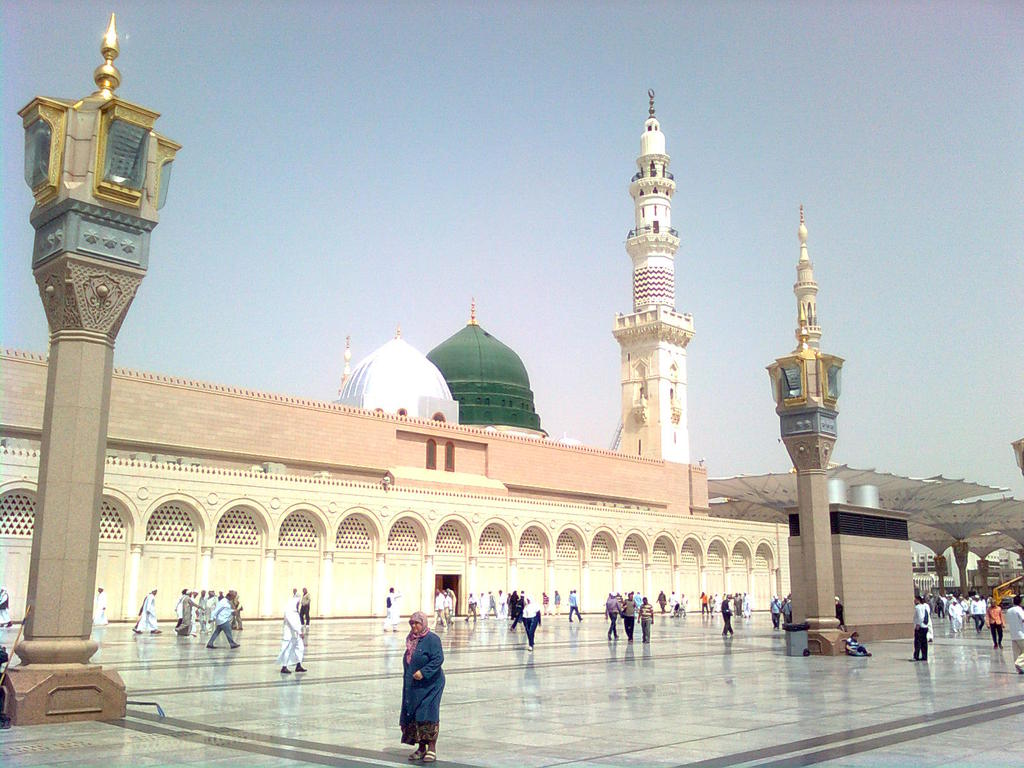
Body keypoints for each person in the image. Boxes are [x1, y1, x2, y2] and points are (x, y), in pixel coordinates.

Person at [400, 611, 445, 762]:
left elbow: (438, 658)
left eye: (417, 623)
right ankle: (421, 747)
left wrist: (424, 672)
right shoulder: (411, 640)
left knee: (427, 713)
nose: (414, 626)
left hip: (431, 684)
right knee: (414, 713)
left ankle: (431, 747)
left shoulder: (432, 639)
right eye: (412, 623)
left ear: (423, 623)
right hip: (414, 684)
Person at [278, 588, 307, 674]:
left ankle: (298, 665)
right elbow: (293, 623)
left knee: (300, 648)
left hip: (295, 635)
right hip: (289, 635)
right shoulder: (289, 611)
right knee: (287, 650)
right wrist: (300, 632)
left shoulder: (294, 611)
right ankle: (284, 667)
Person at [1004, 595, 1024, 675]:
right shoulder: (1019, 610)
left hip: (1013, 634)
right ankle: (1019, 663)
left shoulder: (1009, 610)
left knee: (1017, 652)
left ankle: (1019, 669)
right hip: (1021, 634)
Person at [913, 595, 930, 661]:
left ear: (918, 600)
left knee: (917, 642)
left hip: (920, 627)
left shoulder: (918, 607)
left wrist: (918, 624)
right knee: (924, 642)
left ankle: (916, 656)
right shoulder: (924, 606)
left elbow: (920, 617)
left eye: (915, 599)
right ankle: (924, 656)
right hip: (925, 626)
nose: (914, 601)